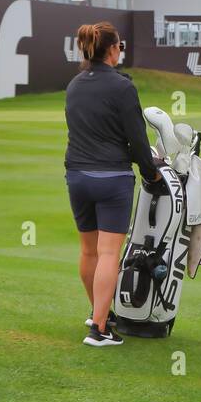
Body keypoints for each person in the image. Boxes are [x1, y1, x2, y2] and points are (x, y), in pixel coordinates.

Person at [64, 21, 161, 347]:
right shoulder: (123, 87)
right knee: (109, 253)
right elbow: (137, 140)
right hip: (112, 178)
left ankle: (98, 312)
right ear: (111, 49)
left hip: (77, 176)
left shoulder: (75, 85)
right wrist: (152, 172)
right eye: (119, 46)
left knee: (88, 251)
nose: (121, 51)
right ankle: (100, 329)